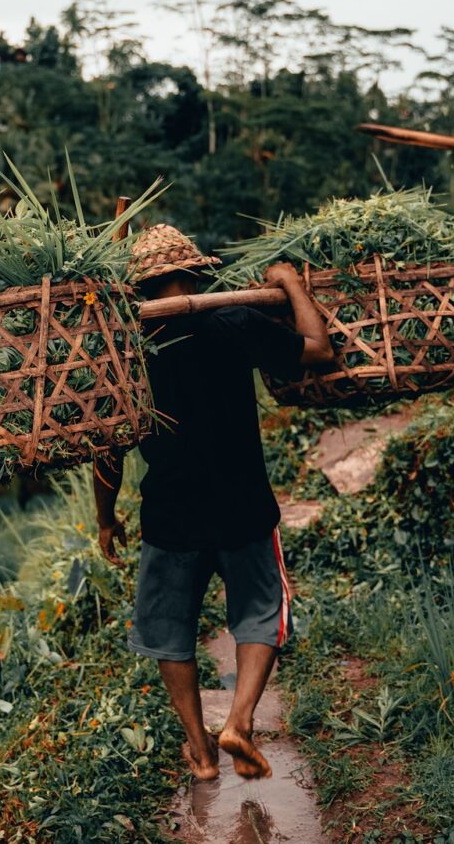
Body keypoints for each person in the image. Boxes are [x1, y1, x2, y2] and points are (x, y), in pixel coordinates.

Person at [93, 224, 333, 781]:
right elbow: (318, 350)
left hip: (169, 514)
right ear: (196, 273)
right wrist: (292, 283)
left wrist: (106, 519)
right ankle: (240, 723)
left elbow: (107, 448)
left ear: (139, 288)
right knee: (259, 615)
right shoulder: (235, 322)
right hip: (243, 505)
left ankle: (199, 751)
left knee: (169, 631)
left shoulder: (126, 347)